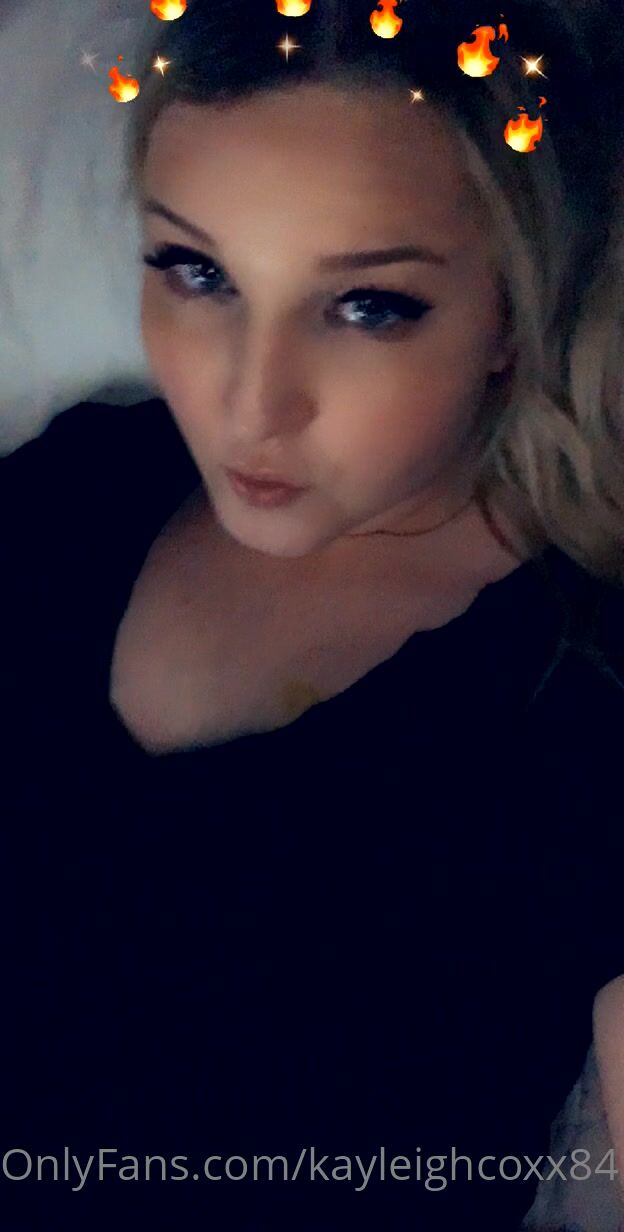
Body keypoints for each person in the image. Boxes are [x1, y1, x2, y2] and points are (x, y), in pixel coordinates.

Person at [2, 1, 624, 1228]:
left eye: (368, 304)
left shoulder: (587, 688)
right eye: (198, 272)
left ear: (509, 314)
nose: (252, 401)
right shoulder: (72, 494)